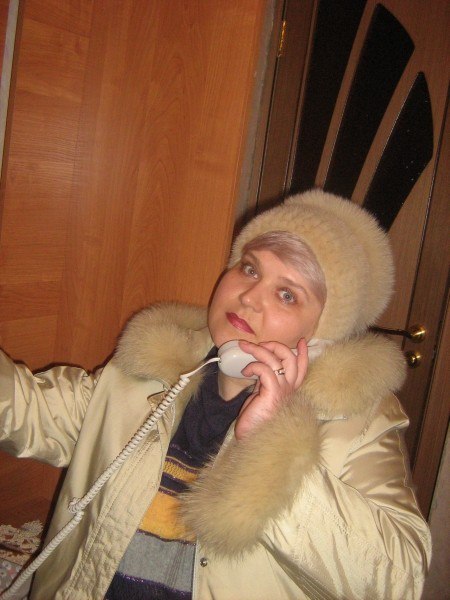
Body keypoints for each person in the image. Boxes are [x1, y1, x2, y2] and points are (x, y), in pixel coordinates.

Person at [0, 189, 431, 599]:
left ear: (321, 335)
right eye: (250, 268)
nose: (249, 297)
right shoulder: (148, 373)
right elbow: (26, 409)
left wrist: (271, 450)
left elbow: (399, 579)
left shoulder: (355, 422)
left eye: (287, 295)